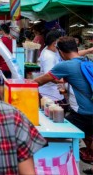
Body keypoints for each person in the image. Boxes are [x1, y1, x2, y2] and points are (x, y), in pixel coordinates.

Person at [34, 36, 93, 165]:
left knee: (51, 138)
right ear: (76, 48)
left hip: (82, 115)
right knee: (89, 141)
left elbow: (39, 81)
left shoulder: (65, 65)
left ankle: (57, 167)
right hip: (90, 111)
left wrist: (21, 85)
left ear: (60, 52)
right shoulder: (86, 61)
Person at [37, 30, 64, 102]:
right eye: (60, 42)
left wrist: (88, 50)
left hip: (54, 93)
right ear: (55, 43)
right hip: (50, 95)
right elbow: (50, 77)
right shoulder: (49, 56)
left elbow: (71, 53)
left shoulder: (53, 50)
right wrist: (66, 81)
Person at [0, 23, 13, 100]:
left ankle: (2, 101)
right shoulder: (12, 39)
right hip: (10, 65)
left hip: (1, 65)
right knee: (7, 83)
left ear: (2, 31)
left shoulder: (1, 40)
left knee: (1, 84)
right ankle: (7, 100)